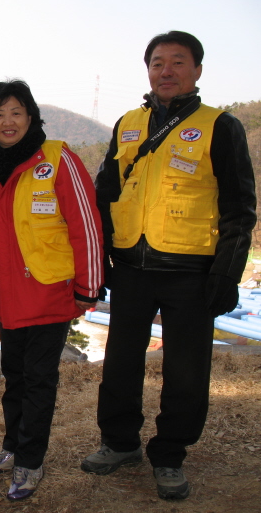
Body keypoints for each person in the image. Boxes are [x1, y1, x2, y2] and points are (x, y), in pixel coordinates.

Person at [81, 31, 256, 500]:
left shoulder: (221, 126)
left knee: (186, 371)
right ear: (148, 70)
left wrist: (226, 273)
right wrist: (101, 261)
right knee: (119, 364)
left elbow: (241, 208)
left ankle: (170, 454)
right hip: (132, 268)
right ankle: (119, 443)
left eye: (178, 62)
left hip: (191, 271)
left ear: (197, 71)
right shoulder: (128, 123)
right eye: (158, 62)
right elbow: (104, 196)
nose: (167, 71)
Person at [0, 80, 103, 501]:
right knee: (14, 377)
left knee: (39, 379)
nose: (7, 121)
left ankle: (31, 460)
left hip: (49, 292)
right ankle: (13, 447)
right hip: (6, 297)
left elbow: (86, 224)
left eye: (15, 112)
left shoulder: (57, 158)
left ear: (30, 116)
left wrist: (89, 285)